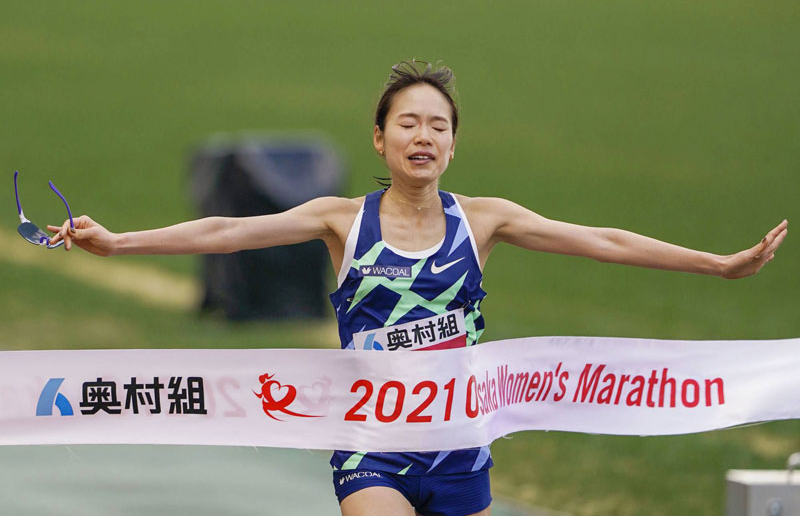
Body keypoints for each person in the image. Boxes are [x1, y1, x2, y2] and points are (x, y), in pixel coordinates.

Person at [48, 60, 788, 516]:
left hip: (459, 445)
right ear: (381, 139)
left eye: (438, 124)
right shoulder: (340, 220)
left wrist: (718, 264)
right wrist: (119, 240)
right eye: (408, 123)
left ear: (454, 143)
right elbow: (225, 232)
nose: (423, 135)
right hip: (372, 442)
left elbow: (605, 242)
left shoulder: (486, 220)